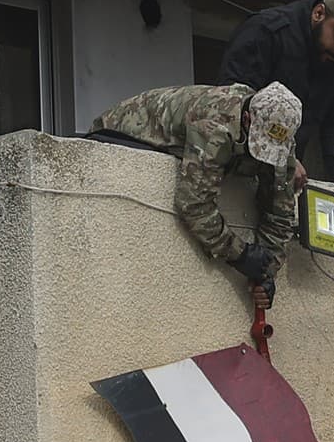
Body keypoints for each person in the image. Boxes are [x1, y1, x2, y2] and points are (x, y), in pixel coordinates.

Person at [90, 82, 302, 309]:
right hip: (124, 132)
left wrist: (266, 272)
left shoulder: (279, 134)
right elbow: (193, 203)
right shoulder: (213, 125)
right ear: (248, 119)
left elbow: (280, 214)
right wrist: (240, 254)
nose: (266, 155)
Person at [219, 0, 334, 207]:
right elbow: (235, 100)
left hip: (284, 175)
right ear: (319, 13)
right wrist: (283, 154)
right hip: (234, 164)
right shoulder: (267, 29)